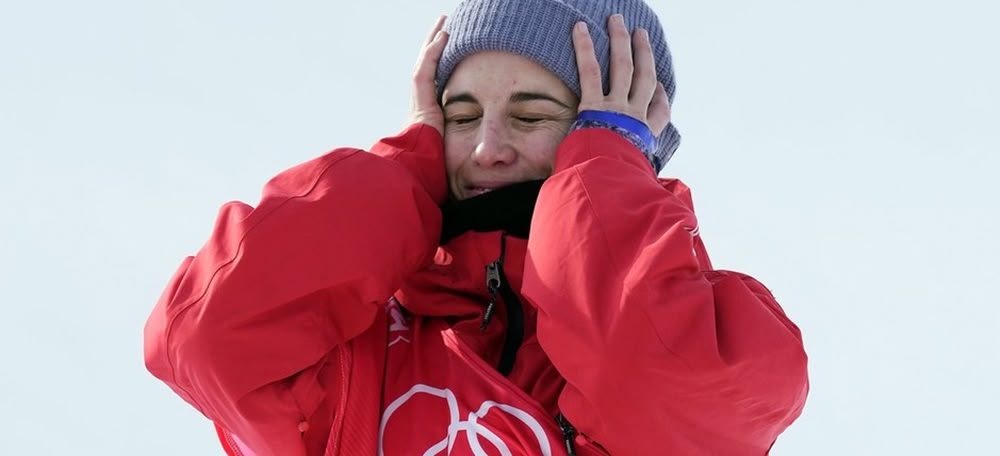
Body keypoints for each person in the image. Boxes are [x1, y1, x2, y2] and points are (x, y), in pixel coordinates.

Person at [144, 0, 809, 454]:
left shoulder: (717, 335)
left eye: (529, 117)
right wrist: (406, 163)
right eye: (460, 117)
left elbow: (658, 373)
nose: (487, 147)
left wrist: (607, 170)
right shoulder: (357, 345)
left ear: (616, 137)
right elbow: (206, 338)